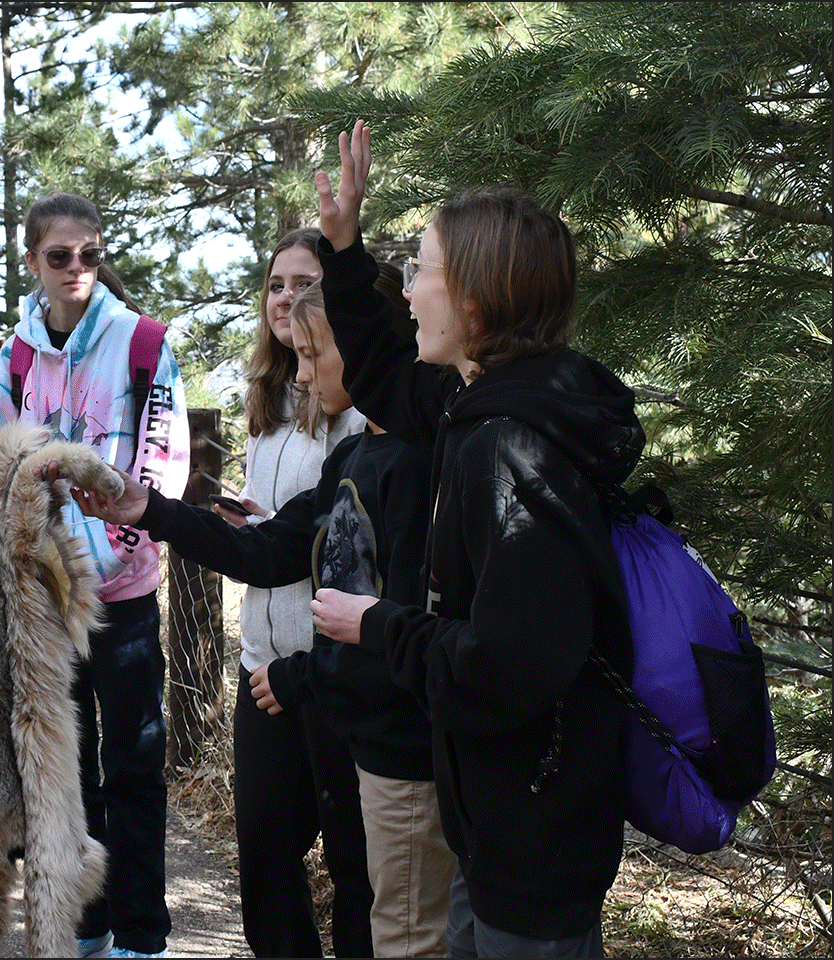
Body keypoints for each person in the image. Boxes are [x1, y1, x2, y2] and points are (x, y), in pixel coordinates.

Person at [311, 121, 644, 957]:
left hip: (535, 841)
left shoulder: (511, 448)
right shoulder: (486, 410)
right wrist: (343, 251)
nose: (411, 291)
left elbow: (509, 665)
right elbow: (386, 374)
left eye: (422, 271)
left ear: (475, 298)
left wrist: (377, 624)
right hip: (501, 831)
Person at [0, 191, 190, 960]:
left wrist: (106, 553)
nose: (76, 268)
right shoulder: (15, 357)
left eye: (89, 255)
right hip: (47, 600)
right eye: (59, 256)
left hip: (123, 597)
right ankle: (92, 923)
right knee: (67, 773)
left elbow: (160, 462)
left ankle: (143, 934)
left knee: (134, 763)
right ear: (32, 262)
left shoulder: (143, 342)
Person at [247, 279, 456, 958]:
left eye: (313, 355)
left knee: (401, 928)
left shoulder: (415, 462)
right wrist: (160, 515)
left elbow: (393, 618)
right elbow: (282, 543)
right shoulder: (354, 454)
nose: (302, 375)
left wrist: (302, 675)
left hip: (404, 749)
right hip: (372, 741)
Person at [216, 227, 373, 959]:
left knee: (355, 871)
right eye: (276, 284)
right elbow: (281, 527)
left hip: (331, 672)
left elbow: (344, 545)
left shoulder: (356, 404)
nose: (287, 299)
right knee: (265, 865)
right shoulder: (269, 398)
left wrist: (273, 533)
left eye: (304, 283)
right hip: (261, 668)